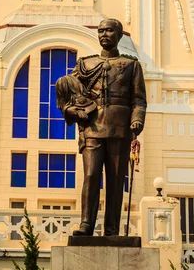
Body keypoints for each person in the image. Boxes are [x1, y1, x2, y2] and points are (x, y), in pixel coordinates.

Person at [56, 18, 147, 237]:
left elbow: (139, 100)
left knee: (115, 181)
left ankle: (112, 229)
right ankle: (86, 224)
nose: (104, 34)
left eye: (109, 30)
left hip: (120, 128)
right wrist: (71, 108)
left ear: (119, 35)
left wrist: (138, 119)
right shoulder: (85, 65)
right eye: (100, 31)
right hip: (92, 127)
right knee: (91, 176)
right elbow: (68, 88)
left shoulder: (131, 65)